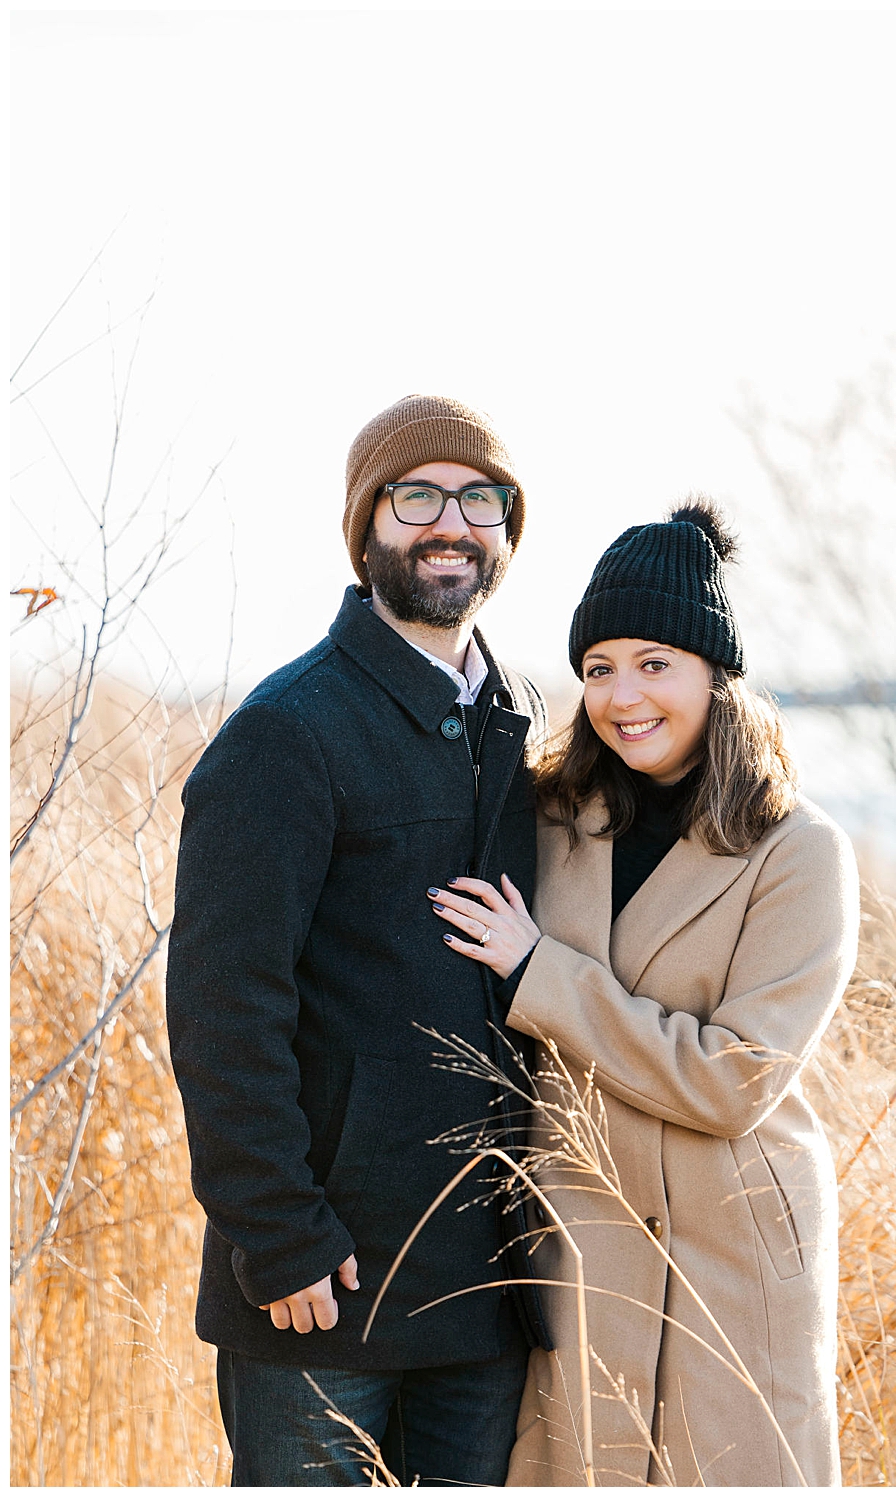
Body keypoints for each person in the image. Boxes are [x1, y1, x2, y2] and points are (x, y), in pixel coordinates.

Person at [167, 394, 548, 1484]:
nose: (450, 522)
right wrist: (278, 1233)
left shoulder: (522, 721)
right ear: (365, 525)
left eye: (480, 499)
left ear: (507, 533)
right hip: (322, 1292)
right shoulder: (287, 734)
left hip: (486, 1292)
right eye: (415, 495)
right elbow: (220, 1009)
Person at [436, 504, 858, 1486]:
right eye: (598, 669)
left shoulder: (798, 856)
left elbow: (732, 1081)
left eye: (654, 663)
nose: (623, 695)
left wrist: (541, 974)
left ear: (716, 675)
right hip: (582, 1253)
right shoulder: (541, 823)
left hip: (736, 1263)